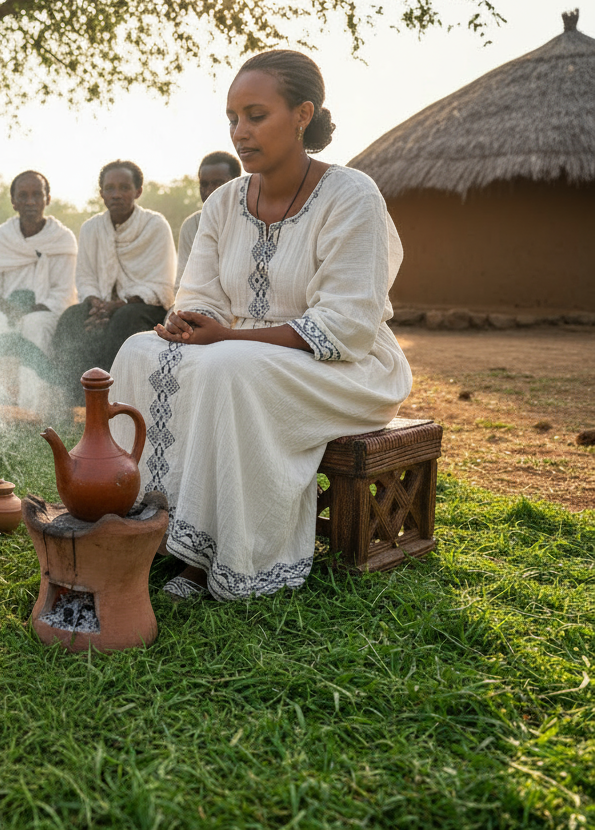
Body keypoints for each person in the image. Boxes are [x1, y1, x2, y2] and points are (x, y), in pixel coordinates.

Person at [108, 49, 412, 601]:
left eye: (255, 115)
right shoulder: (223, 204)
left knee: (230, 367)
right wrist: (189, 323)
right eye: (232, 118)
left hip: (345, 367)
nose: (239, 132)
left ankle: (216, 555)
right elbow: (201, 294)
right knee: (135, 350)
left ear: (302, 114)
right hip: (239, 351)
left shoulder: (351, 196)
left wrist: (225, 338)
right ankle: (152, 525)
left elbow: (346, 325)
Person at [51, 160, 175, 397]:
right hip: (101, 305)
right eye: (110, 188)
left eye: (124, 187)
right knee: (71, 318)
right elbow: (85, 277)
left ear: (138, 191)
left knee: (124, 318)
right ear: (101, 194)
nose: (116, 194)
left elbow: (162, 283)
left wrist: (119, 305)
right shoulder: (91, 228)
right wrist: (97, 303)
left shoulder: (155, 225)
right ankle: (71, 398)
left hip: (144, 308)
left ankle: (120, 397)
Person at [0, 170, 77, 415]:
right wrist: (9, 309)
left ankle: (35, 411)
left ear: (47, 198)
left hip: (44, 310)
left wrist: (30, 310)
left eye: (37, 195)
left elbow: (62, 292)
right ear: (14, 201)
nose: (30, 201)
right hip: (4, 308)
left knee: (35, 325)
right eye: (23, 195)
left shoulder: (61, 238)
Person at [175, 151, 241, 282]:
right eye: (204, 184)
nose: (210, 191)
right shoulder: (191, 226)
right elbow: (183, 281)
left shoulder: (254, 221)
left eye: (218, 183)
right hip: (200, 300)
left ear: (238, 184)